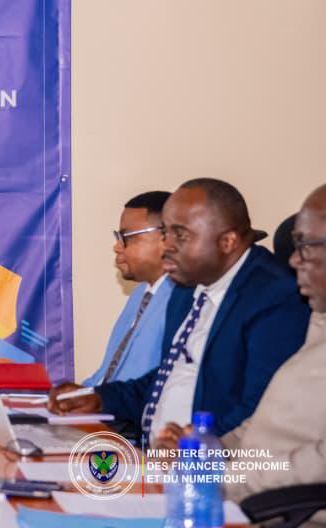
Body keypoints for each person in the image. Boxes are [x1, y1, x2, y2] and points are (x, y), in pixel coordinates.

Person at [50, 178, 310, 444]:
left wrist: (195, 447)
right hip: (154, 455)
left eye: (180, 235)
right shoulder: (187, 288)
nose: (167, 246)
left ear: (228, 241)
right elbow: (165, 378)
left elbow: (262, 410)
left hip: (216, 462)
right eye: (165, 233)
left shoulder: (275, 297)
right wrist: (100, 398)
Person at [154, 184, 326, 522]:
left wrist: (219, 478)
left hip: (277, 512)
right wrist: (206, 448)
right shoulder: (318, 324)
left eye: (306, 246)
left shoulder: (279, 300)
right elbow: (266, 421)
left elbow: (317, 462)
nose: (293, 259)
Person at [83, 191, 175, 386]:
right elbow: (106, 374)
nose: (117, 247)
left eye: (126, 237)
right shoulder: (140, 294)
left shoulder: (183, 300)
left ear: (165, 239)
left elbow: (153, 385)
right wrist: (78, 394)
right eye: (118, 237)